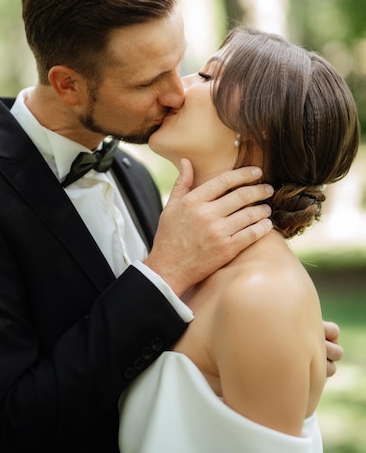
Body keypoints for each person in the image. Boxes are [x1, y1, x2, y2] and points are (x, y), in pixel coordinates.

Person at [0, 0, 341, 453]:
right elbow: (8, 428)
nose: (177, 93)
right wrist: (164, 275)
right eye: (148, 81)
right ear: (67, 85)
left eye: (181, 65)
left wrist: (269, 351)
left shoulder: (135, 172)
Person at [119, 26, 360, 453]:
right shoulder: (189, 266)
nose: (178, 89)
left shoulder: (260, 297)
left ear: (257, 128)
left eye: (207, 77)